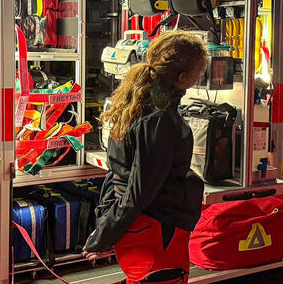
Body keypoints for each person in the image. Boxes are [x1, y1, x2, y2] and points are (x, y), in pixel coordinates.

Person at [83, 31, 208, 284]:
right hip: (157, 228)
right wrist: (104, 236)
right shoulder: (160, 119)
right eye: (199, 72)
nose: (200, 77)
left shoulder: (136, 103)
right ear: (182, 78)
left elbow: (119, 175)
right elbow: (140, 191)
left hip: (144, 228)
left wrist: (108, 229)